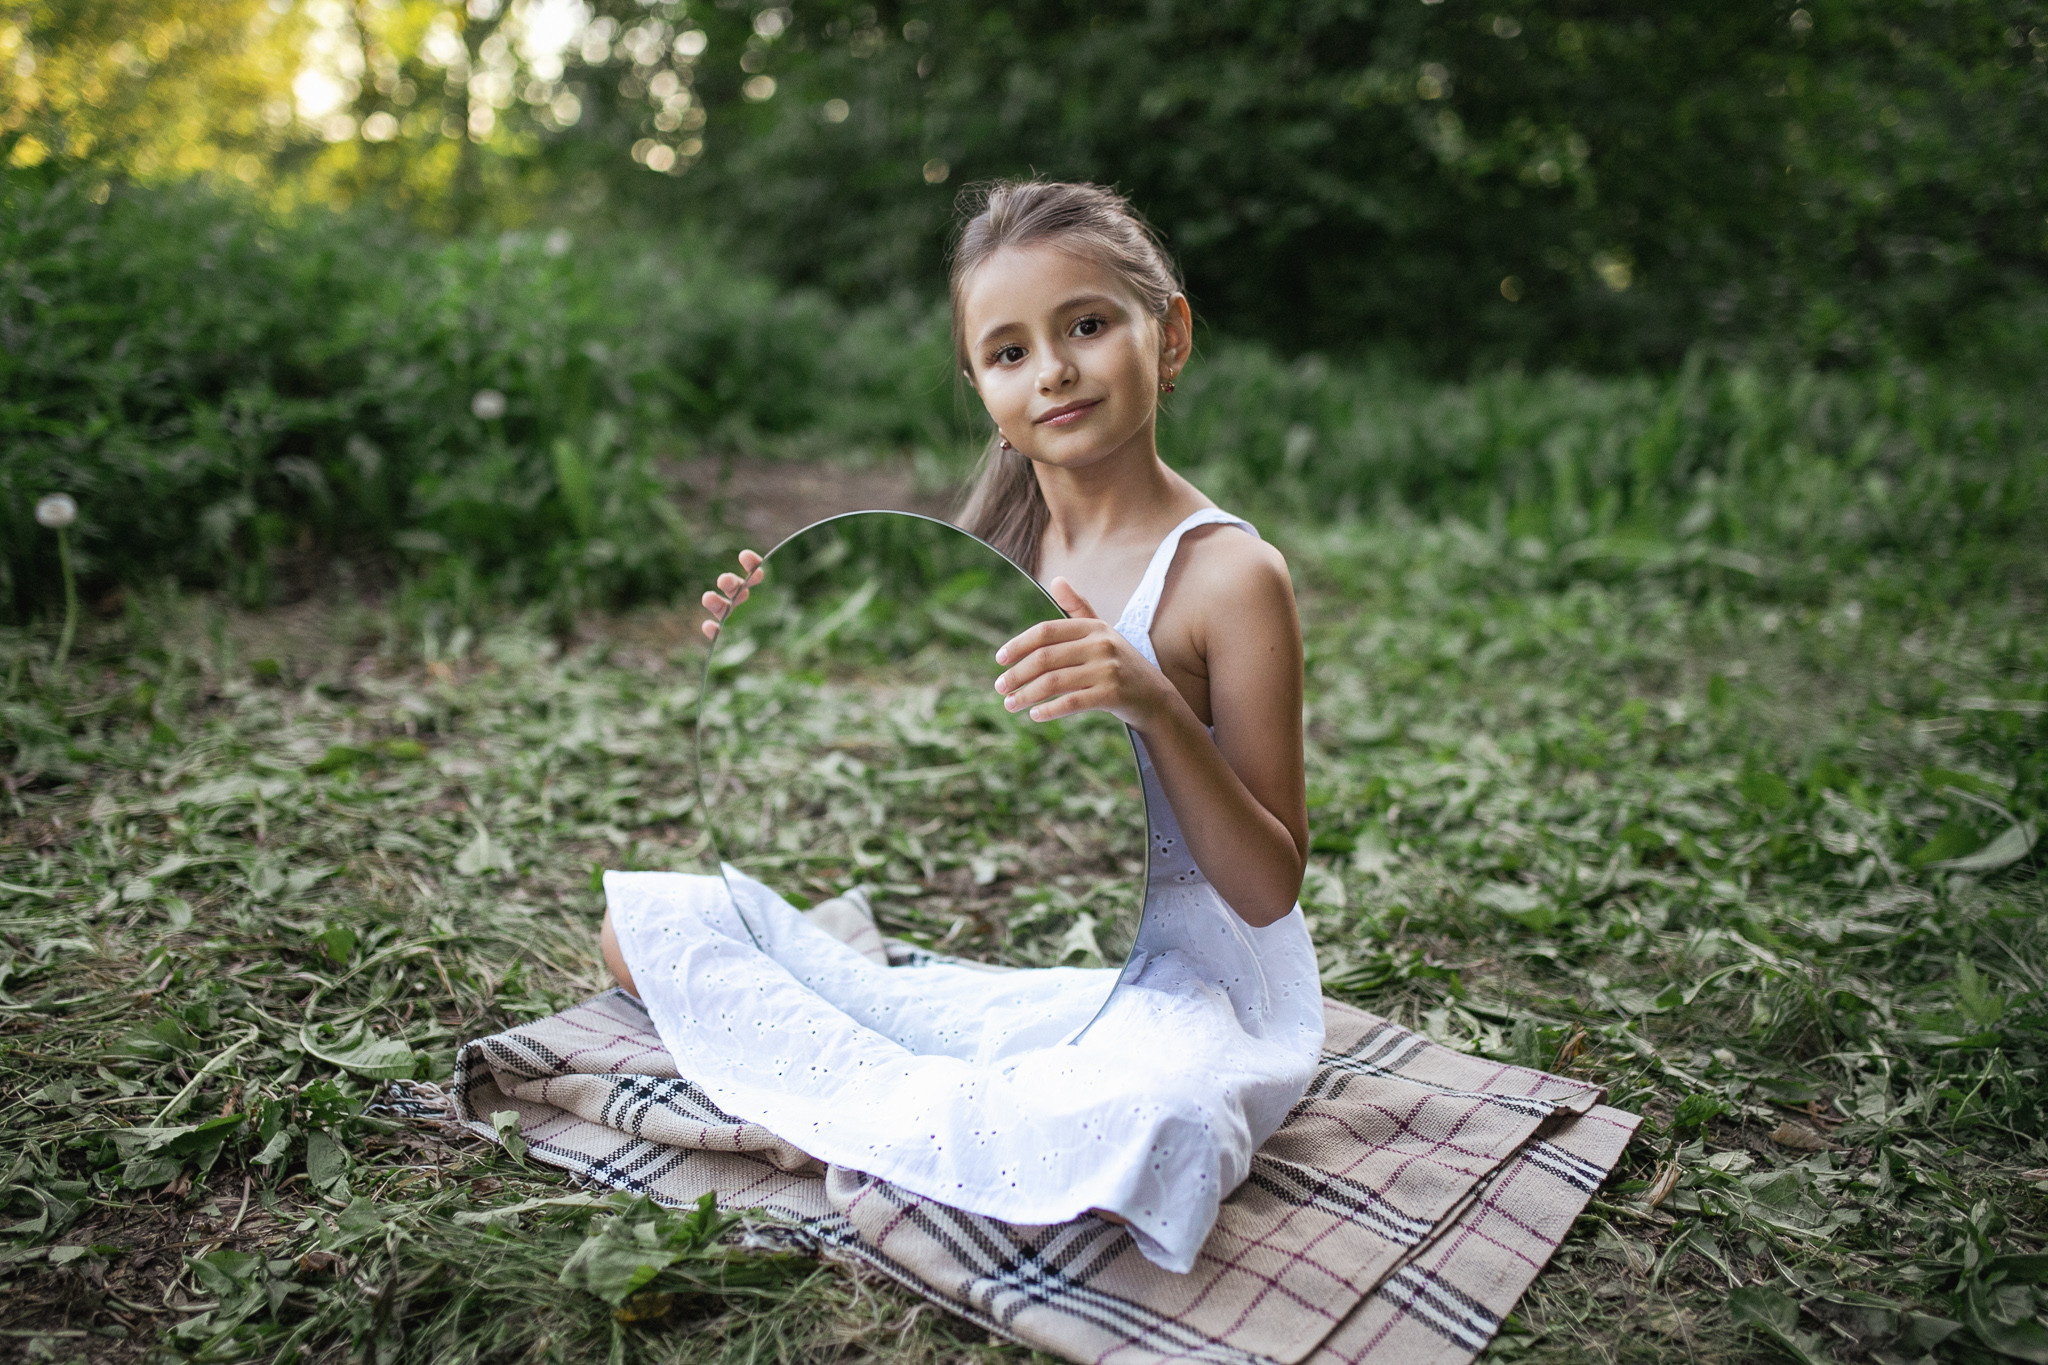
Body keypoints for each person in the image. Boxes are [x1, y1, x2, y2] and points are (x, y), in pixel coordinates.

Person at [595, 181, 1322, 1273]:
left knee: (1149, 1129)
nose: (1055, 370)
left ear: (1165, 335)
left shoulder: (1229, 578)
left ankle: (897, 1080)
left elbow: (1268, 892)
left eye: (1086, 326)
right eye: (1009, 351)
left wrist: (1155, 705)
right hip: (1034, 970)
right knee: (653, 924)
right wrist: (764, 638)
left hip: (1191, 998)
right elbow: (879, 741)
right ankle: (920, 1061)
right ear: (980, 385)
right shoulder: (991, 561)